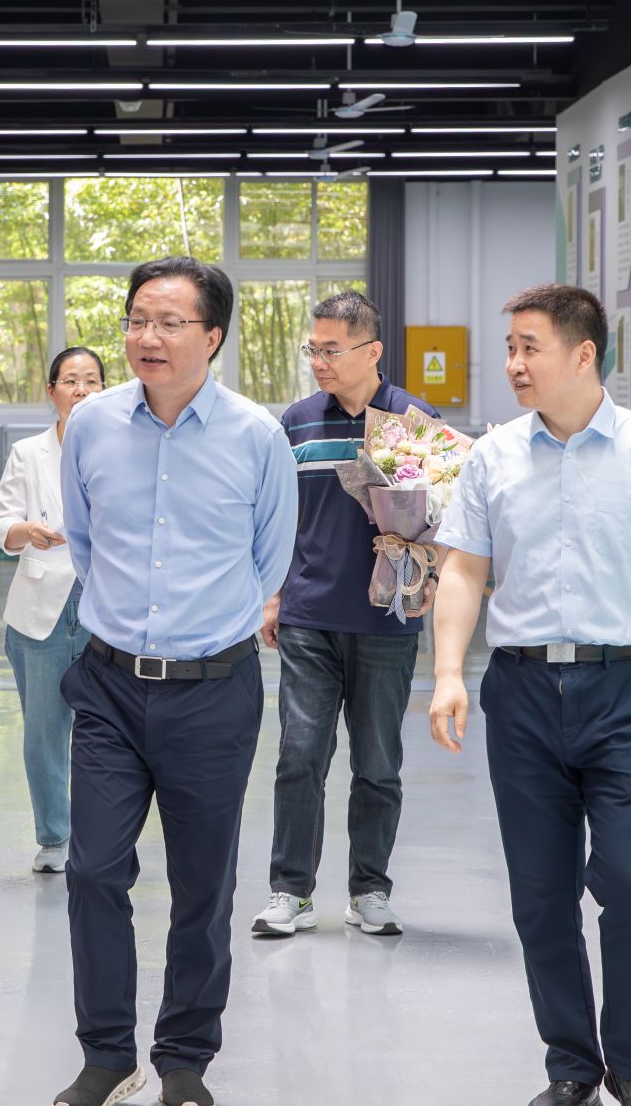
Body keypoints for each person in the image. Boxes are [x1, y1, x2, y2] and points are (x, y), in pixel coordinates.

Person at [427, 284, 631, 1106]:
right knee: (542, 896)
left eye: (530, 347)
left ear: (583, 354)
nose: (514, 364)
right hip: (520, 692)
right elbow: (464, 570)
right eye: (510, 348)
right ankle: (571, 1066)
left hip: (623, 689)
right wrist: (449, 672)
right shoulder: (492, 456)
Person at [55, 257, 297, 1106]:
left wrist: (203, 627)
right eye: (136, 320)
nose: (146, 337)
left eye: (168, 322)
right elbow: (83, 542)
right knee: (93, 870)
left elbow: (271, 557)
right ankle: (106, 1052)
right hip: (110, 684)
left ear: (213, 335)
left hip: (213, 687)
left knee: (203, 883)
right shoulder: (90, 425)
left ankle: (184, 1058)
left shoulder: (256, 435)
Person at [250, 290, 439, 939]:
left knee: (378, 763)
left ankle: (369, 889)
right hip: (309, 616)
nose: (319, 361)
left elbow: (443, 519)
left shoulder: (412, 419)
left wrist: (426, 562)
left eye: (331, 350)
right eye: (314, 349)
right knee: (299, 756)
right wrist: (274, 595)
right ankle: (291, 891)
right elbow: (278, 517)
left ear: (372, 350)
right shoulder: (298, 421)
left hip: (387, 619)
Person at [0, 346, 105, 876]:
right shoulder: (27, 452)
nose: (81, 390)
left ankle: (103, 834)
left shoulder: (123, 447)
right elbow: (2, 524)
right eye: (71, 380)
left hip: (107, 603)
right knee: (44, 732)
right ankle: (55, 836)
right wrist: (25, 531)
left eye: (92, 380)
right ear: (52, 391)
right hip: (42, 610)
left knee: (109, 730)